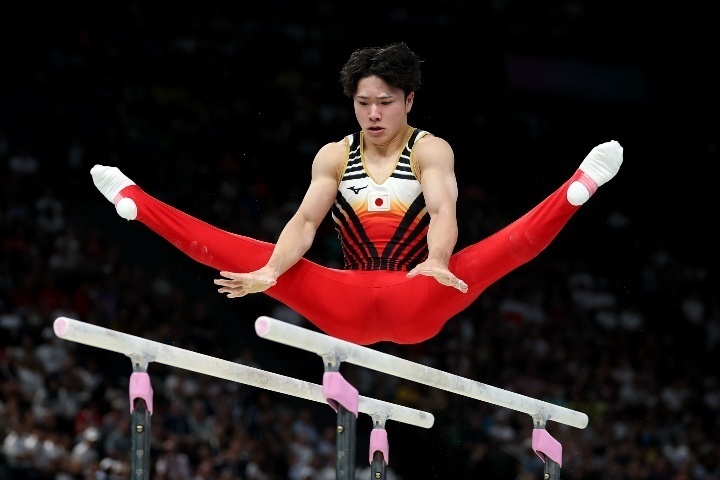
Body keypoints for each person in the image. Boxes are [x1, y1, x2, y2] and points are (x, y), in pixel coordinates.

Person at [90, 42, 623, 345]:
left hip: (418, 292)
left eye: (385, 102)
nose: (373, 113)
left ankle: (577, 188)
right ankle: (139, 204)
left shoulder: (431, 151)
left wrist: (437, 260)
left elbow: (442, 207)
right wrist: (271, 275)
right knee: (248, 254)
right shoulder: (333, 156)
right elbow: (303, 224)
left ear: (409, 100)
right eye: (364, 102)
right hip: (340, 299)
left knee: (485, 258)